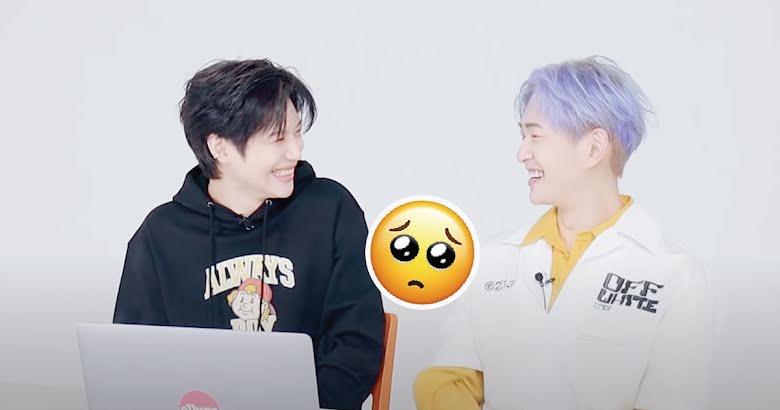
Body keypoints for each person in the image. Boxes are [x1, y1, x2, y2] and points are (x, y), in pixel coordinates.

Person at [414, 56, 716, 410]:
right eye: (522, 136)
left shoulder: (676, 276)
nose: (522, 153)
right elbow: (446, 381)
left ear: (593, 147)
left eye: (535, 135)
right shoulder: (492, 259)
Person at [113, 58, 385, 410]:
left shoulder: (330, 210)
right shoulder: (160, 235)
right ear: (220, 147)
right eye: (277, 138)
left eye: (297, 132)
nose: (296, 150)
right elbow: (133, 362)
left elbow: (356, 343)